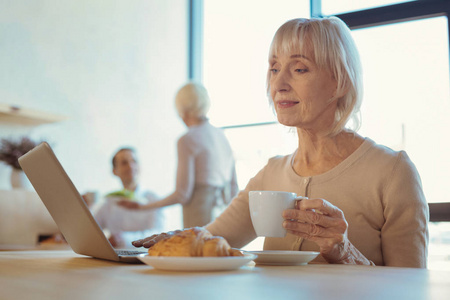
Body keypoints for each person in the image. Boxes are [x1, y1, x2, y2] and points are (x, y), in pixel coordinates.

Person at [131, 17, 429, 267]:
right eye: (274, 69)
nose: (278, 83)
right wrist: (166, 244)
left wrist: (344, 252)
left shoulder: (392, 173)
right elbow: (209, 241)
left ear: (339, 82)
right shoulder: (269, 174)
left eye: (299, 69)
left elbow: (412, 289)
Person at [119, 82, 238, 228]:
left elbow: (182, 194)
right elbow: (234, 189)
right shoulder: (222, 136)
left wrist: (143, 207)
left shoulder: (187, 140)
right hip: (223, 220)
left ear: (183, 110)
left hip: (199, 221)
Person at [93, 147, 164, 248]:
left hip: (146, 258)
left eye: (134, 161)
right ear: (114, 171)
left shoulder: (153, 199)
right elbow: (90, 230)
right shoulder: (108, 203)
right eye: (124, 163)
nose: (131, 166)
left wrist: (121, 239)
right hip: (114, 260)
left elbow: (159, 233)